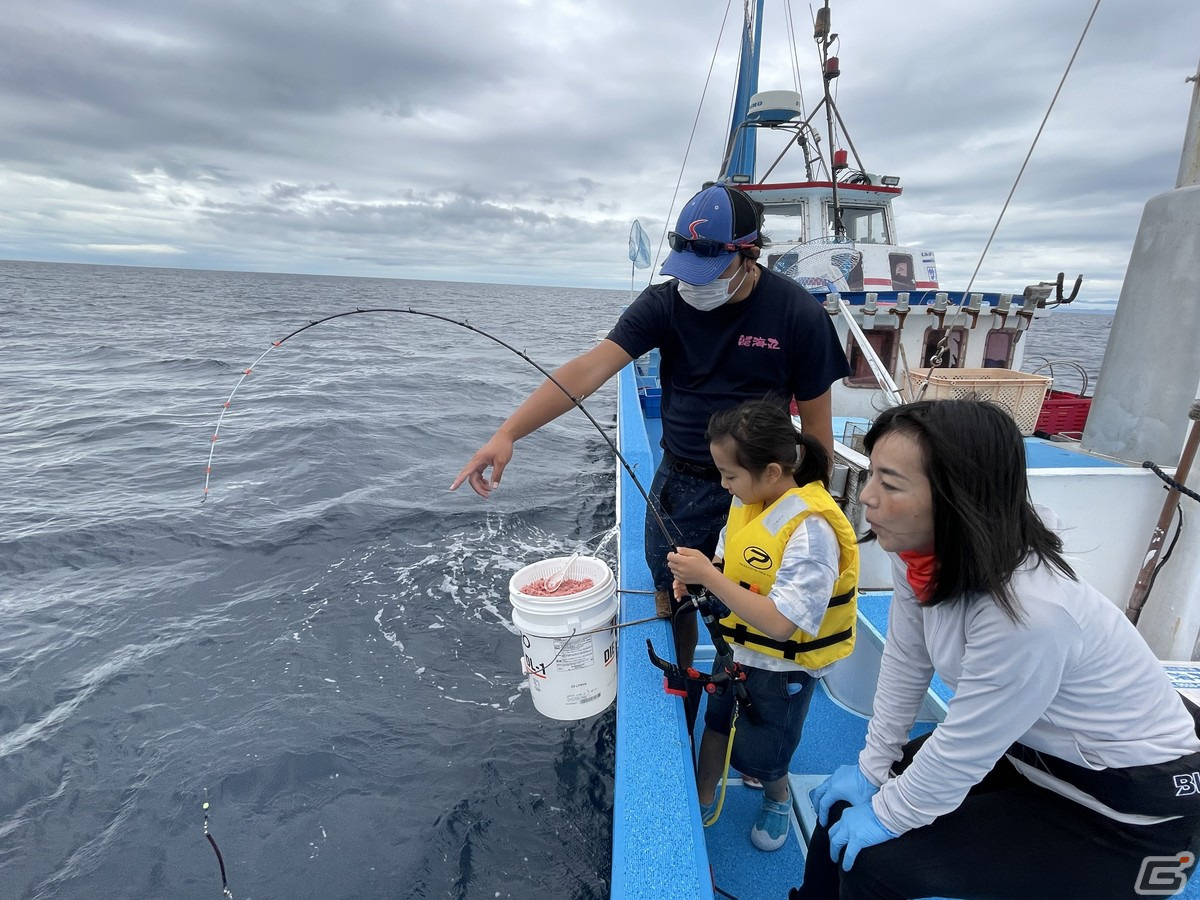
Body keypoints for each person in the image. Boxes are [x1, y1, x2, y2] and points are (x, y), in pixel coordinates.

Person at [792, 399, 1200, 900]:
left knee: (876, 864)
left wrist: (888, 812)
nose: (867, 498)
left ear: (956, 496)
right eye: (871, 473)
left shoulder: (1031, 612)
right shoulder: (918, 549)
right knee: (839, 810)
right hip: (1032, 752)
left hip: (1117, 805)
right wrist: (873, 767)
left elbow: (965, 744)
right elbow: (906, 658)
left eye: (890, 483)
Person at [451, 184, 850, 670]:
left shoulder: (798, 314)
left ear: (749, 255)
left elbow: (816, 433)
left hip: (763, 493)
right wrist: (507, 433)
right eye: (686, 269)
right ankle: (682, 676)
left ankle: (743, 681)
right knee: (674, 593)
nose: (694, 285)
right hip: (681, 483)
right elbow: (589, 369)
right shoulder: (664, 302)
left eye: (709, 271)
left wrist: (810, 509)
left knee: (749, 596)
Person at [665, 400, 859, 852]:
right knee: (717, 718)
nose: (723, 484)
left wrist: (710, 577)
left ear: (772, 471)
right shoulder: (748, 505)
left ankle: (776, 795)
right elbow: (729, 562)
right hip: (735, 651)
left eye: (730, 475)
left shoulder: (811, 531)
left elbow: (781, 624)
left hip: (782, 671)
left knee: (768, 748)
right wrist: (701, 580)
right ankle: (702, 789)